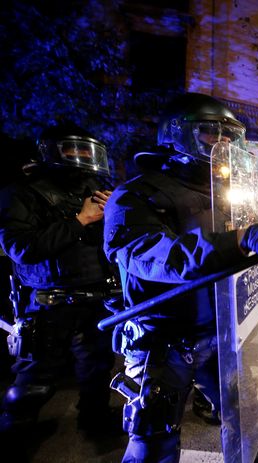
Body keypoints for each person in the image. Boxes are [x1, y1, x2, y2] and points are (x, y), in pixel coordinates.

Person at [102, 92, 258, 462]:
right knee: (152, 444)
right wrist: (241, 240)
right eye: (210, 132)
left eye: (229, 136)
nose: (222, 142)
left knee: (248, 430)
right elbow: (161, 258)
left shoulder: (228, 196)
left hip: (221, 333)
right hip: (161, 340)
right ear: (177, 134)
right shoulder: (134, 196)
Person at [0, 125, 121, 439]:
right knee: (35, 380)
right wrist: (80, 220)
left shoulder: (94, 187)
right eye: (72, 149)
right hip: (48, 302)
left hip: (95, 296)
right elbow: (21, 248)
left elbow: (105, 243)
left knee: (97, 369)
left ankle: (94, 421)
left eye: (85, 150)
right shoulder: (22, 193)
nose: (80, 156)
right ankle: (15, 433)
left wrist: (113, 214)